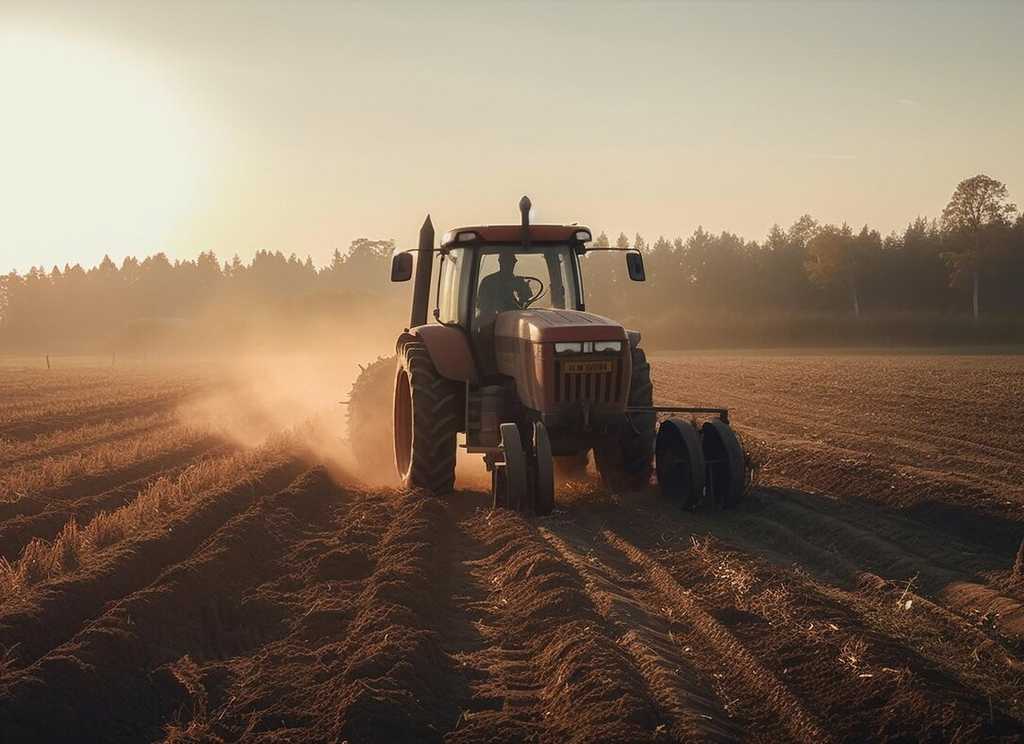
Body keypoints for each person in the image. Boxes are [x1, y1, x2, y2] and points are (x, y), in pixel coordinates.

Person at [475, 251, 533, 323]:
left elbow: (526, 304)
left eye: (511, 262)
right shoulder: (488, 281)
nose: (509, 265)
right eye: (506, 262)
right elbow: (482, 306)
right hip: (492, 323)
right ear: (500, 262)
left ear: (514, 263)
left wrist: (524, 290)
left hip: (514, 321)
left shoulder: (519, 282)